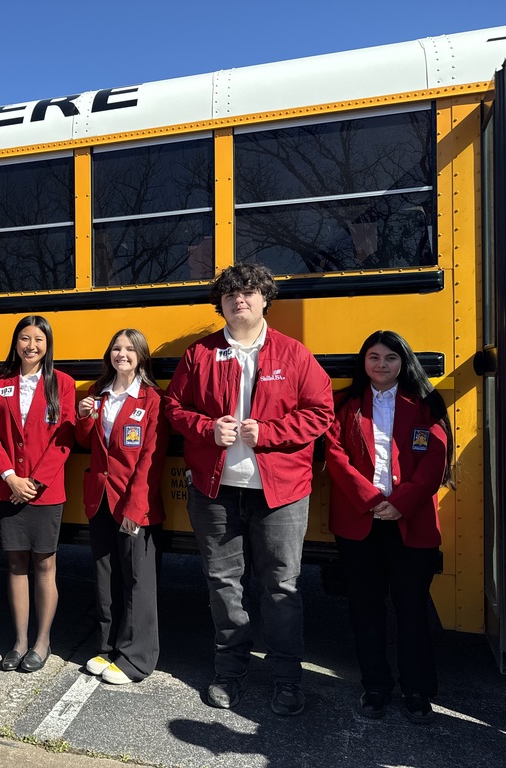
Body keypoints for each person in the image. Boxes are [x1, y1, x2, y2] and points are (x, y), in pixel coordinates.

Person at [164, 263, 333, 716]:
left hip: (280, 494)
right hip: (215, 491)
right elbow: (173, 408)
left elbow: (322, 412)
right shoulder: (200, 355)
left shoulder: (294, 354)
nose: (239, 299)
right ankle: (230, 670)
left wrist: (272, 433)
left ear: (265, 300)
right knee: (223, 585)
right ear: (220, 304)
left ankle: (285, 678)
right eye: (230, 294)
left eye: (249, 292)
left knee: (281, 585)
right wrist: (204, 428)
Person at [324, 330, 453, 725]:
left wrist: (399, 505)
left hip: (410, 521)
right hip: (360, 521)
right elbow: (335, 455)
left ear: (404, 362)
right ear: (363, 362)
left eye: (391, 358)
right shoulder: (345, 404)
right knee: (365, 609)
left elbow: (437, 457)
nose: (382, 365)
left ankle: (417, 690)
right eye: (374, 357)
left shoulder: (427, 404)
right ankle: (375, 686)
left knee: (412, 609)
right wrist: (371, 501)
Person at [0, 315, 75, 673]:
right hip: (7, 489)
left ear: (48, 344)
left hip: (44, 492)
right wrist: (9, 478)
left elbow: (64, 437)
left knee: (45, 564)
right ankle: (19, 641)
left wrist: (32, 482)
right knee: (16, 564)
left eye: (38, 339)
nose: (31, 346)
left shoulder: (61, 383)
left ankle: (42, 641)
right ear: (15, 342)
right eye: (24, 338)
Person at [75, 328, 167, 685]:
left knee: (137, 582)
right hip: (99, 498)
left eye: (130, 349)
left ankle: (137, 658)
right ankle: (109, 647)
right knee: (106, 578)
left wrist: (136, 508)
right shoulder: (97, 394)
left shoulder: (152, 400)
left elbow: (151, 460)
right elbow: (86, 440)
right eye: (116, 348)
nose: (122, 354)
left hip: (133, 504)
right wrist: (84, 415)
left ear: (141, 356)